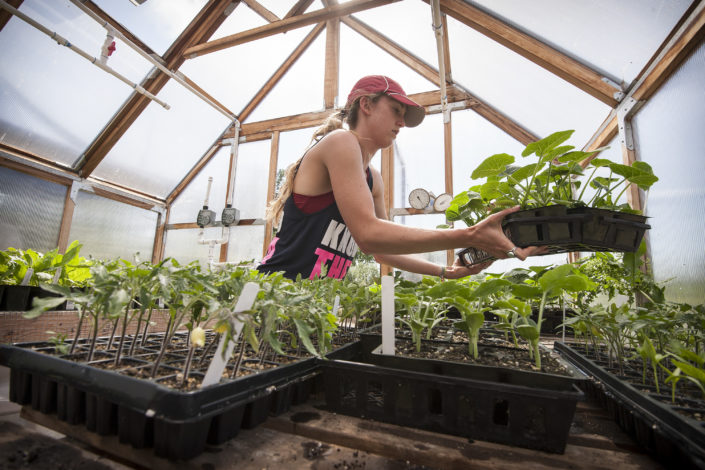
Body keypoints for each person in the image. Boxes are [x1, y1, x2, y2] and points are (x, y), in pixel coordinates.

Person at [257, 75, 544, 281]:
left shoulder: (374, 179)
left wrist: (448, 272)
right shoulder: (340, 142)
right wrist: (470, 235)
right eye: (396, 111)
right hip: (274, 293)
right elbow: (368, 236)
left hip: (315, 305)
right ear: (366, 105)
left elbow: (381, 251)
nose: (401, 123)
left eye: (404, 116)